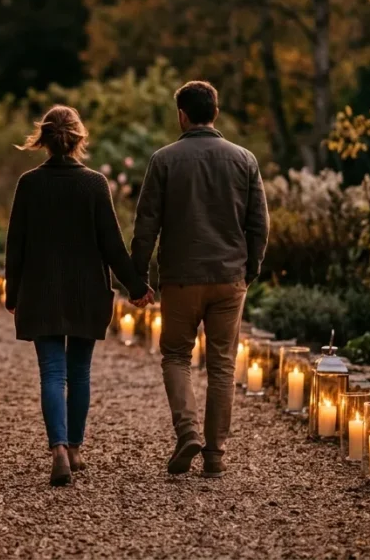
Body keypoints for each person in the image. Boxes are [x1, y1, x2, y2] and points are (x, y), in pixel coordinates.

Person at [4, 105, 151, 487]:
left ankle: (57, 450)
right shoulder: (94, 184)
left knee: (52, 373)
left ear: (44, 140)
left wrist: (12, 290)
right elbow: (112, 246)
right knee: (79, 372)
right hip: (86, 292)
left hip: (42, 291)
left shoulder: (30, 184)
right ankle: (75, 449)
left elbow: (15, 244)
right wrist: (136, 286)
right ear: (78, 138)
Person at [129, 81, 269, 479]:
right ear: (215, 113)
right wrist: (251, 269)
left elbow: (146, 224)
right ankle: (215, 454)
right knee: (222, 365)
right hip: (229, 277)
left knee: (176, 355)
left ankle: (187, 431)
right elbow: (259, 223)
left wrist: (138, 276)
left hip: (181, 278)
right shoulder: (245, 160)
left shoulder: (164, 160)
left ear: (182, 115)